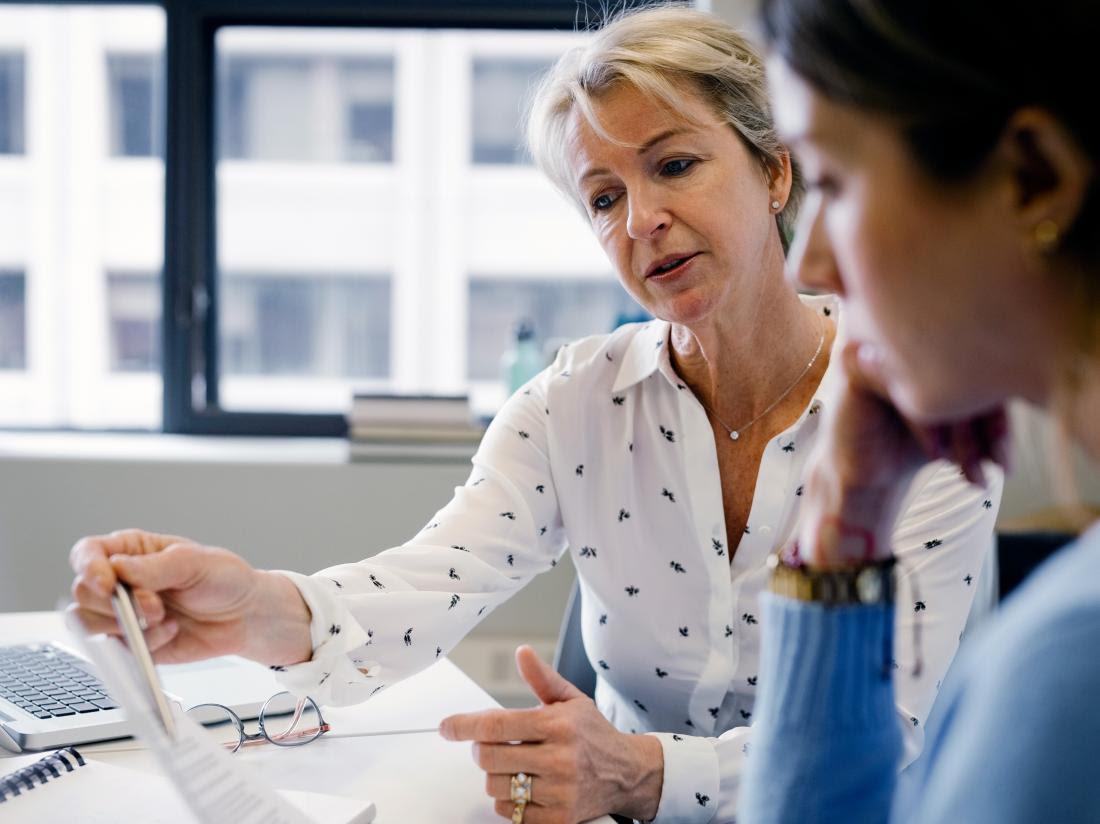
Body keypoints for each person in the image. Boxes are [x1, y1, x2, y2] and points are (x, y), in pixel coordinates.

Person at [68, 8, 1001, 823]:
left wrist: (637, 772)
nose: (641, 220)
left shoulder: (922, 416)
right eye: (604, 198)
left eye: (674, 165)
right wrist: (252, 610)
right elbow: (423, 587)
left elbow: (893, 733)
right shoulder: (573, 402)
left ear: (775, 174)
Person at [739, 1, 1100, 823]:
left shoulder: (1069, 665)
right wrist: (842, 525)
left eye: (831, 180)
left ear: (1032, 176)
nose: (809, 264)